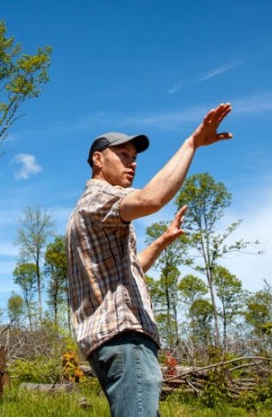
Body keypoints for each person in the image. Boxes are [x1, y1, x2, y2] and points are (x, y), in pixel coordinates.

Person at [65, 103, 233, 416]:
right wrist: (192, 144)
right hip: (126, 338)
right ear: (98, 160)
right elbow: (151, 198)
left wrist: (162, 241)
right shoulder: (99, 197)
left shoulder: (83, 211)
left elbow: (129, 268)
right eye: (123, 155)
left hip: (110, 341)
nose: (132, 163)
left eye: (134, 157)